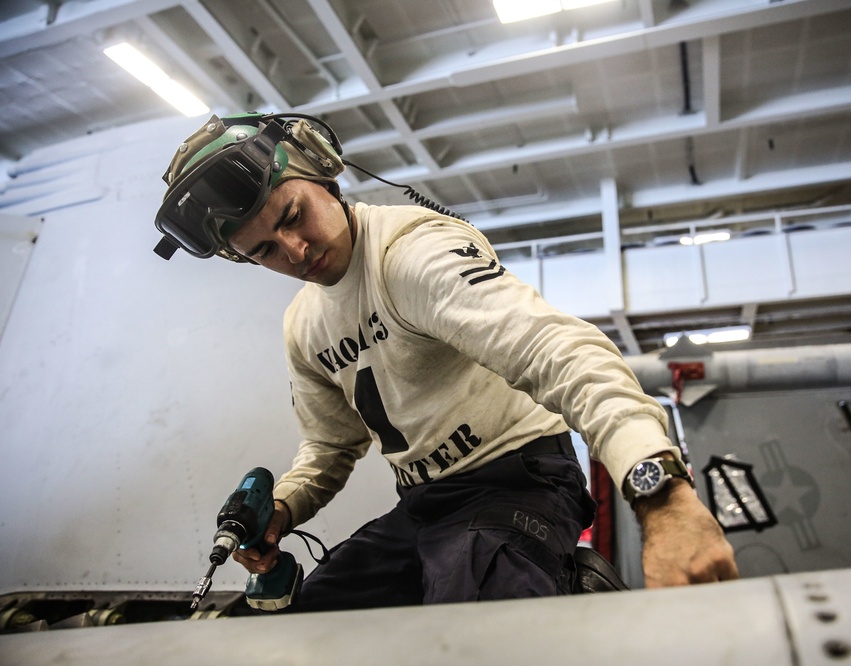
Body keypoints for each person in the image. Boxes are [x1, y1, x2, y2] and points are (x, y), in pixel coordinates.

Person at [154, 112, 737, 611]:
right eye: (265, 251)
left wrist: (664, 498)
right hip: (424, 505)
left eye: (292, 216)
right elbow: (330, 447)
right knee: (306, 627)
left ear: (323, 170)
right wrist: (283, 507)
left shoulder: (413, 254)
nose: (296, 251)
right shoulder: (302, 325)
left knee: (477, 630)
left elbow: (555, 350)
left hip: (521, 481)